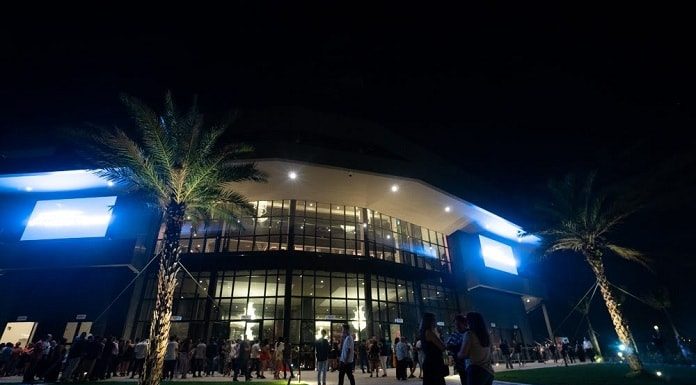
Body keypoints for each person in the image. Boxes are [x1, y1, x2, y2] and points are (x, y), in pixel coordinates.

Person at [457, 312, 493, 385]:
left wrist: (457, 353)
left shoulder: (469, 334)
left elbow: (463, 354)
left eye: (467, 320)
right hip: (489, 371)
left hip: (476, 370)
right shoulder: (487, 335)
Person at [420, 312, 447, 385]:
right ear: (430, 321)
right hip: (434, 363)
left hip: (429, 362)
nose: (435, 322)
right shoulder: (429, 332)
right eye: (434, 320)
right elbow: (442, 347)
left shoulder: (423, 332)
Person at [446, 314, 468, 385]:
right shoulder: (454, 334)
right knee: (464, 380)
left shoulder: (469, 333)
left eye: (458, 324)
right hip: (460, 363)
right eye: (455, 324)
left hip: (470, 363)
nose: (457, 326)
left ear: (464, 323)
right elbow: (448, 346)